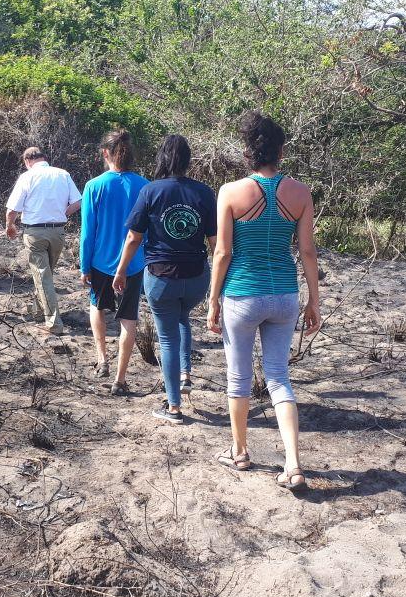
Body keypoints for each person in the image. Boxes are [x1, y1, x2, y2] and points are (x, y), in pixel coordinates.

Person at [207, 112, 321, 491]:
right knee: (278, 378)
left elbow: (222, 252)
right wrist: (314, 302)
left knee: (238, 378)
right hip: (285, 294)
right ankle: (293, 463)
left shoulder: (230, 192)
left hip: (242, 293)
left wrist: (212, 300)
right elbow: (307, 252)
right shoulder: (301, 193)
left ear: (247, 151)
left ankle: (239, 451)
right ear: (281, 151)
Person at [114, 135, 216, 423]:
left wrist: (121, 270)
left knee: (167, 336)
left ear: (161, 158)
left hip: (160, 277)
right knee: (182, 317)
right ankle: (185, 374)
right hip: (197, 277)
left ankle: (173, 407)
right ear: (187, 159)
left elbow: (134, 236)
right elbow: (215, 242)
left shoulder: (151, 191)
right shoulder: (205, 192)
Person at [80, 130, 148, 394]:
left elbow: (88, 232)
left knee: (97, 306)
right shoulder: (144, 185)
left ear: (105, 153)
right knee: (128, 318)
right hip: (134, 263)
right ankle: (120, 378)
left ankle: (102, 359)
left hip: (100, 261)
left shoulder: (94, 186)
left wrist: (84, 266)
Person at [5, 147, 82, 335]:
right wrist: (63, 214)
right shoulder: (62, 174)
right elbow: (78, 201)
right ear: (43, 158)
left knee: (42, 276)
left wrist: (9, 225)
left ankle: (54, 323)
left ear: (27, 161)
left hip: (35, 233)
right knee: (45, 275)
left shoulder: (27, 176)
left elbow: (12, 208)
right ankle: (37, 310)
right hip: (58, 232)